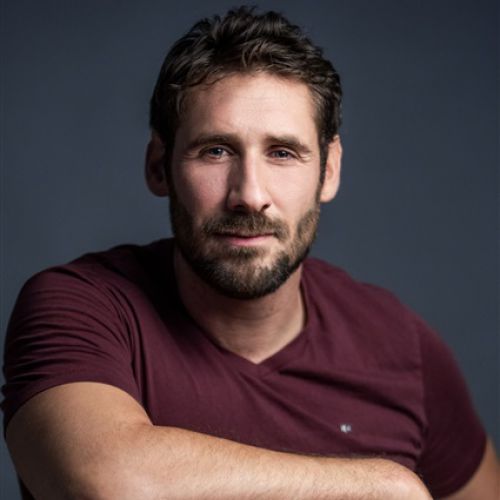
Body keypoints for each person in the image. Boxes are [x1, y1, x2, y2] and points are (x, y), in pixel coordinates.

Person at [2, 6, 498, 500]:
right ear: (159, 166)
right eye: (215, 150)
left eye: (282, 153)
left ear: (328, 171)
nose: (249, 195)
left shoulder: (402, 347)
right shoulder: (81, 309)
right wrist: (385, 485)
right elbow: (107, 484)